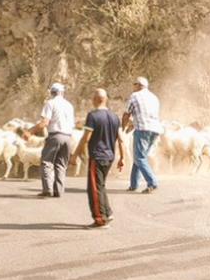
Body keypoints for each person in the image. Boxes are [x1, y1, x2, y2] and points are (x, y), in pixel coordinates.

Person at [70, 88, 127, 229]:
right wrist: (123, 158)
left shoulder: (93, 116)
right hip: (109, 156)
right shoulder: (114, 117)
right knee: (100, 185)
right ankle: (107, 212)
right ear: (106, 99)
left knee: (94, 188)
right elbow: (120, 139)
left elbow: (86, 138)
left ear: (96, 100)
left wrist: (75, 155)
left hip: (97, 156)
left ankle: (100, 219)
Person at [26, 82, 75, 198]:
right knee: (61, 164)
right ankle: (58, 191)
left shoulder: (50, 103)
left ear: (52, 92)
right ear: (62, 92)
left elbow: (44, 122)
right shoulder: (69, 105)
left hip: (55, 136)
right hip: (68, 137)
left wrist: (30, 131)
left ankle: (47, 189)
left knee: (46, 162)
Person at [121, 76, 163, 193]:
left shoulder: (134, 96)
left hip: (143, 129)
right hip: (155, 130)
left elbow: (126, 114)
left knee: (139, 157)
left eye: (134, 84)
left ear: (138, 85)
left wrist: (123, 127)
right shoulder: (154, 97)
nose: (133, 86)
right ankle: (133, 184)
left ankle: (152, 182)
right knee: (139, 157)